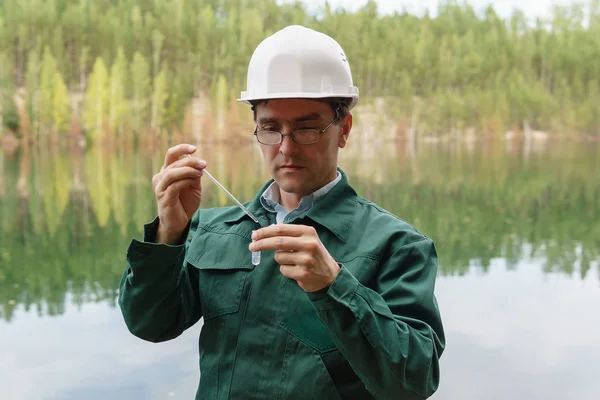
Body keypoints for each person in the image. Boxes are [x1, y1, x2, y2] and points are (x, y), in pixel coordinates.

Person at [119, 25, 445, 399]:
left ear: (344, 129)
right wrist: (168, 234)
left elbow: (414, 381)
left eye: (307, 129)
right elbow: (150, 324)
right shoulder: (212, 230)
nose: (286, 149)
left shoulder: (398, 245)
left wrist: (334, 286)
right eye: (271, 129)